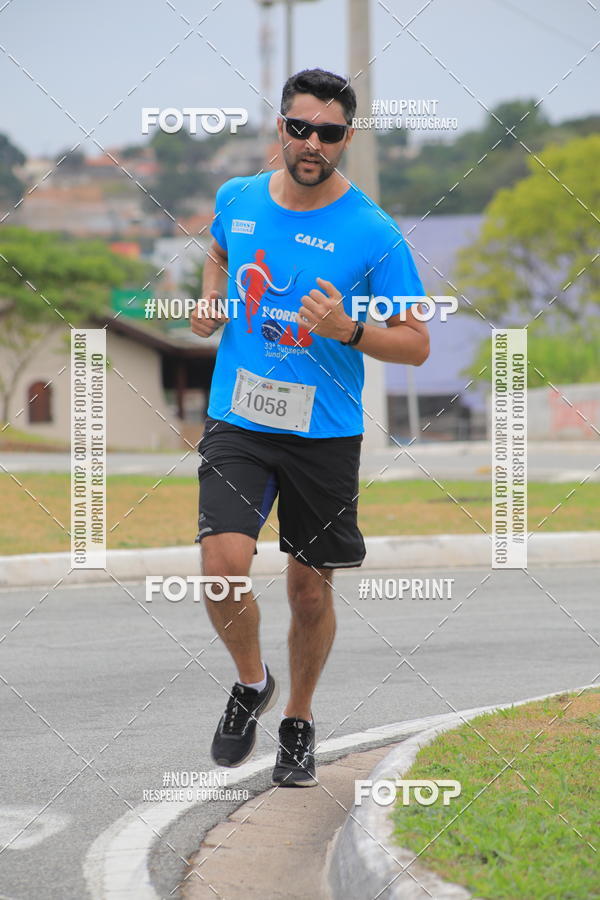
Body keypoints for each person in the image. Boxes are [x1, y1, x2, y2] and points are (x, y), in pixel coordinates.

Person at [191, 68, 429, 787]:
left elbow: (416, 342)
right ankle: (250, 681)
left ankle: (296, 717)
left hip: (323, 431)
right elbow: (219, 251)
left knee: (309, 591)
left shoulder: (372, 232)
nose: (312, 142)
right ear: (281, 129)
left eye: (328, 132)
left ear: (345, 139)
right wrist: (209, 304)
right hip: (239, 414)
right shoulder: (237, 199)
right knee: (223, 566)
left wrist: (349, 329)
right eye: (300, 127)